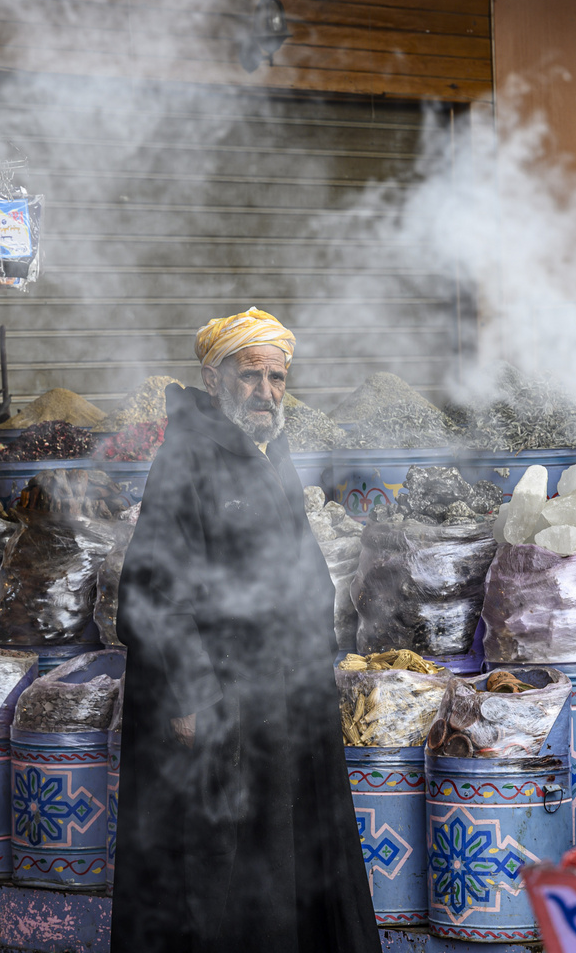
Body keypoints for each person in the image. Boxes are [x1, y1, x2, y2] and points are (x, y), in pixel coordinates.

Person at [110, 308, 380, 953]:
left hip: (283, 687)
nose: (266, 392)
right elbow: (153, 591)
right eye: (251, 376)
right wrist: (191, 697)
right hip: (221, 695)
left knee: (286, 852)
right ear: (213, 377)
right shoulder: (186, 460)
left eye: (278, 378)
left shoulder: (269, 452)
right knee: (218, 863)